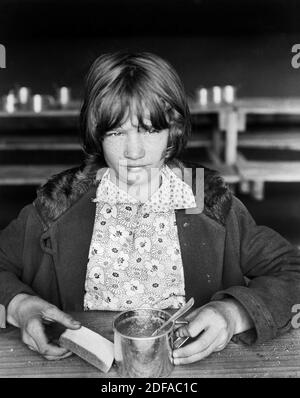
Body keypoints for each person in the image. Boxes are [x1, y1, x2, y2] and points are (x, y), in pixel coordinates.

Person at [0, 51, 299, 365]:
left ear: (173, 131)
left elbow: (293, 270)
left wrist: (234, 313)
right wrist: (20, 307)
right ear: (97, 135)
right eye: (117, 132)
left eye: (149, 130)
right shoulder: (57, 207)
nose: (134, 151)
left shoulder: (211, 204)